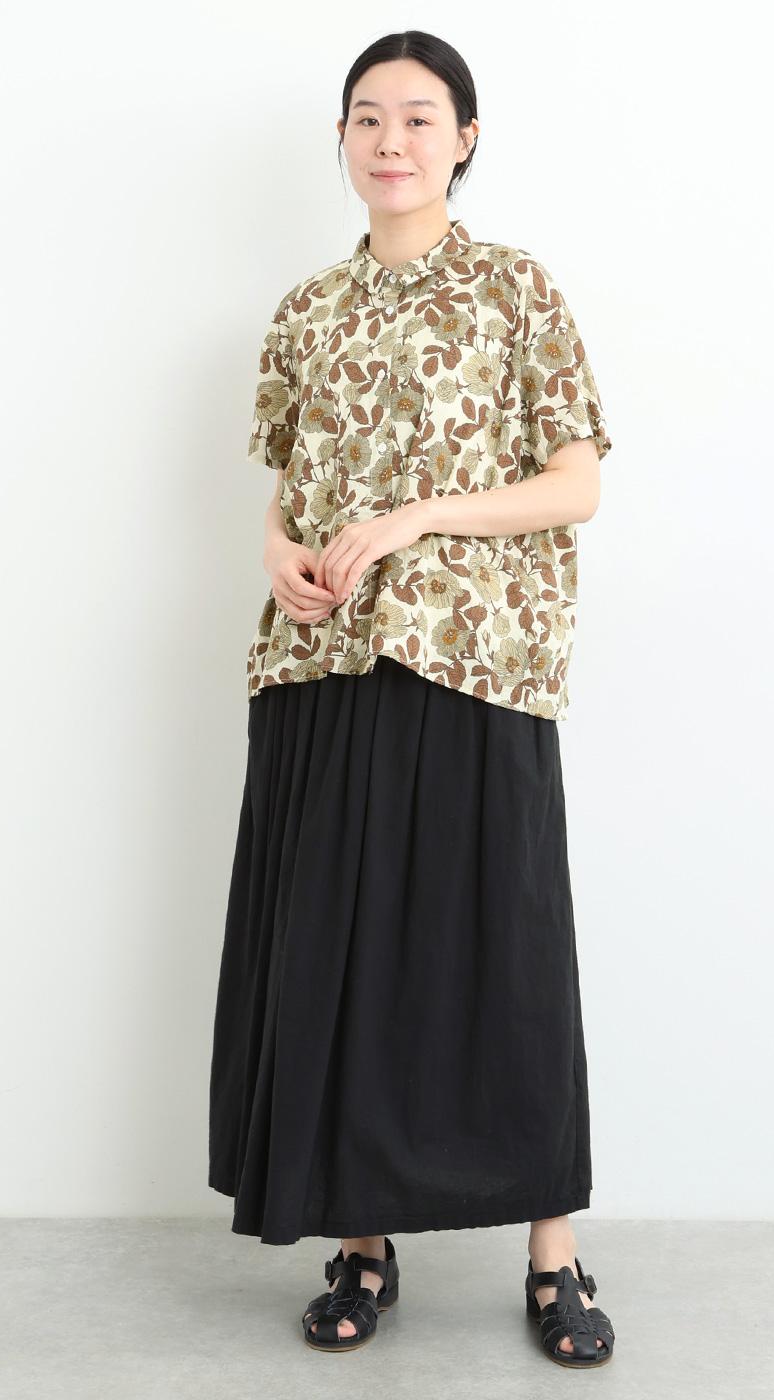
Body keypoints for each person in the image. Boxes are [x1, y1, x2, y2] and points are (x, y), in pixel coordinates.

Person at [208, 29, 616, 1369]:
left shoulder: (515, 289)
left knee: (506, 952)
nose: (392, 140)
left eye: (421, 116)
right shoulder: (307, 311)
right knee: (338, 958)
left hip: (477, 659)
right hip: (321, 663)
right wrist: (279, 551)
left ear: (466, 138)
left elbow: (575, 485)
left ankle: (554, 1257)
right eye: (369, 117)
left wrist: (418, 517)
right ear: (341, 139)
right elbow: (288, 489)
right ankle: (362, 1242)